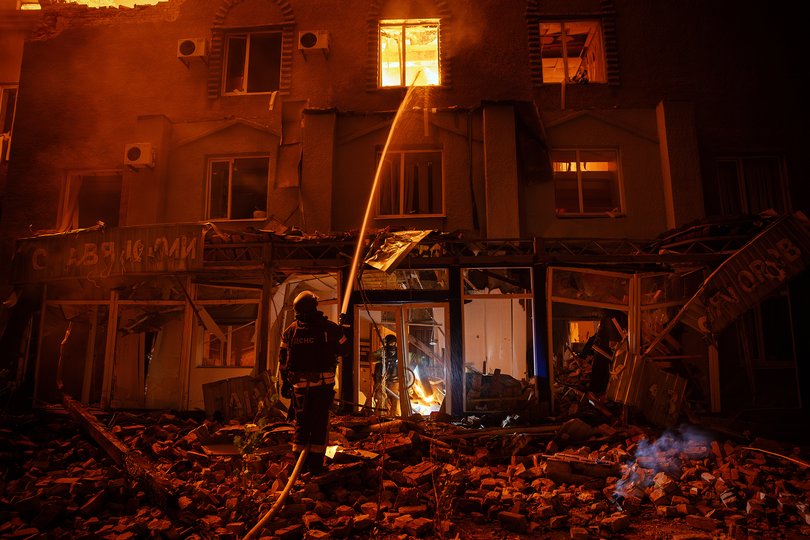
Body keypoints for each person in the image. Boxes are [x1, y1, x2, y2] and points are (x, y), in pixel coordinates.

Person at [278, 291, 350, 473]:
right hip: (322, 386)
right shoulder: (330, 329)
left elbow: (282, 360)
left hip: (299, 387)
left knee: (302, 424)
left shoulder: (290, 331)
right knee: (318, 424)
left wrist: (284, 384)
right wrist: (342, 331)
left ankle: (300, 465)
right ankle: (316, 466)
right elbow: (345, 350)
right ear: (314, 306)